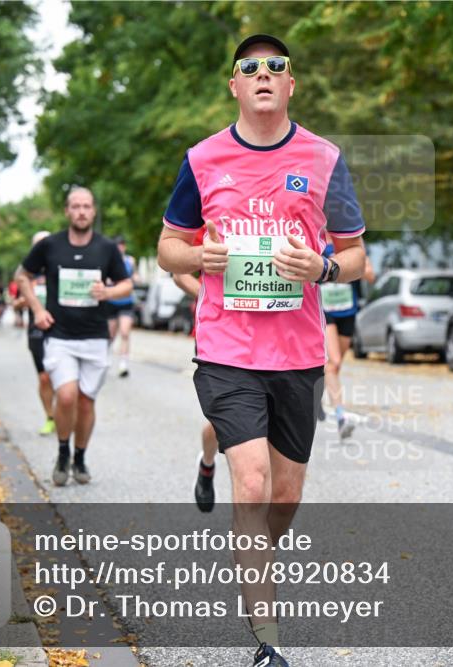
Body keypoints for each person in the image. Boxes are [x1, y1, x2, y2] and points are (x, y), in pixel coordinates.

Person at [157, 33, 366, 667]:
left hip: (297, 353)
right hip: (226, 347)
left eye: (277, 66)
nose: (264, 74)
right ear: (236, 85)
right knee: (249, 483)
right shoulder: (202, 159)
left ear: (291, 84)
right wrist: (199, 255)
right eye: (250, 67)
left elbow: (357, 258)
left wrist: (322, 267)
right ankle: (267, 641)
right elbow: (168, 248)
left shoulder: (324, 160)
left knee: (284, 497)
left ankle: (255, 563)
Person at [16, 188, 131, 486]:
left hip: (95, 336)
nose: (81, 211)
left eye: (86, 206)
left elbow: (127, 284)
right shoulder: (50, 245)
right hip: (60, 336)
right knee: (66, 395)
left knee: (85, 401)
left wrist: (108, 292)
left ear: (93, 211)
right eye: (75, 206)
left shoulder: (106, 248)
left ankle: (80, 457)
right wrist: (38, 309)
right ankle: (62, 451)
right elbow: (22, 276)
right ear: (67, 211)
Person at [172, 225, 220, 513]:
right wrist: (211, 295)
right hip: (220, 334)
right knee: (221, 420)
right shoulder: (210, 214)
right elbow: (178, 272)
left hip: (275, 337)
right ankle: (207, 464)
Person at [319, 244, 375, 437]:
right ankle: (341, 416)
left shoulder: (347, 239)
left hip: (347, 311)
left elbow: (369, 274)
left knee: (335, 365)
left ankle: (315, 389)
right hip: (325, 310)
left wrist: (347, 267)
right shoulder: (315, 234)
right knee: (333, 363)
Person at [16, 231, 56, 437]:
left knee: (62, 378)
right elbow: (14, 302)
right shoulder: (26, 272)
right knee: (44, 378)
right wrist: (23, 302)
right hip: (36, 330)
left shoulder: (59, 266)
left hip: (60, 328)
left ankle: (64, 411)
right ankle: (50, 417)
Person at [106, 235, 138, 378]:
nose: (120, 248)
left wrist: (135, 278)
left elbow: (135, 276)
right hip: (112, 302)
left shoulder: (130, 261)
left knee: (125, 333)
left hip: (126, 302)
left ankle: (123, 364)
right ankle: (105, 359)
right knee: (111, 335)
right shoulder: (109, 261)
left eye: (122, 245)